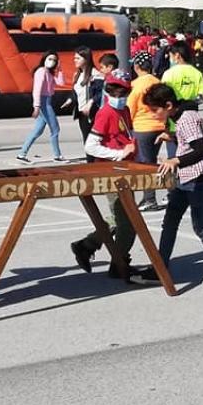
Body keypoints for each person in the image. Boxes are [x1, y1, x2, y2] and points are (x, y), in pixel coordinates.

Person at [130, 82, 203, 288]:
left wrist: (176, 160)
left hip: (198, 178)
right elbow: (189, 141)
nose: (153, 114)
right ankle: (160, 266)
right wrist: (172, 137)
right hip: (184, 178)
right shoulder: (179, 117)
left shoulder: (187, 119)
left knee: (200, 225)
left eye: (155, 110)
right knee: (170, 221)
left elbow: (201, 149)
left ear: (167, 105)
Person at [69, 72, 137, 278]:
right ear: (107, 91)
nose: (120, 95)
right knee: (130, 223)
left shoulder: (124, 110)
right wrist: (118, 154)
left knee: (118, 219)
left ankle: (87, 245)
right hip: (111, 172)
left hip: (125, 170)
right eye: (115, 91)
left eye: (124, 92)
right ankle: (119, 262)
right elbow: (91, 146)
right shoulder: (106, 113)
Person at [128, 50, 168, 212]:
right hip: (159, 126)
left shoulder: (136, 85)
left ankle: (150, 198)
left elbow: (130, 108)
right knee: (150, 161)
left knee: (145, 164)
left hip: (142, 127)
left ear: (137, 67)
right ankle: (147, 196)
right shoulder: (157, 82)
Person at [17, 52, 67, 163]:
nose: (52, 62)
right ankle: (57, 156)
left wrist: (60, 70)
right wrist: (37, 106)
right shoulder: (41, 71)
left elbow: (61, 83)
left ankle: (22, 154)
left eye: (54, 60)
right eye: (50, 59)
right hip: (44, 103)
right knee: (55, 129)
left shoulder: (49, 73)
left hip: (48, 101)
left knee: (38, 130)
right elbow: (37, 90)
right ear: (44, 58)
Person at [62, 47, 104, 163]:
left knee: (94, 140)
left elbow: (100, 93)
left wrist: (91, 102)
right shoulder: (77, 75)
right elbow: (76, 92)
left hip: (93, 113)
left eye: (78, 58)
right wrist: (70, 100)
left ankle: (95, 163)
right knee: (86, 140)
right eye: (74, 58)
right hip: (82, 113)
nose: (75, 60)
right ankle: (90, 163)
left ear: (86, 58)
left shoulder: (95, 75)